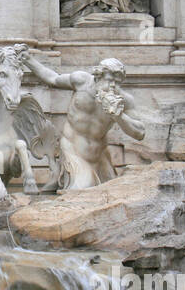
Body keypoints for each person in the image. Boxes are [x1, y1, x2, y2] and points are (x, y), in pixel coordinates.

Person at [26, 56, 145, 190]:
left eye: (117, 83)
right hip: (73, 151)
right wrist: (28, 59)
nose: (113, 86)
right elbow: (52, 78)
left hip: (99, 157)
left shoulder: (124, 100)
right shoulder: (81, 81)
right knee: (82, 191)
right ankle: (64, 173)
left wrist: (118, 116)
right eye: (110, 80)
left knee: (111, 193)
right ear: (98, 76)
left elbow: (140, 133)